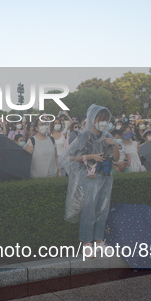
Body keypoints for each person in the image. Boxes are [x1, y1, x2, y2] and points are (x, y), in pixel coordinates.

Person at [60, 104, 120, 256]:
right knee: (89, 210)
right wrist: (92, 157)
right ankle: (87, 242)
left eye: (106, 120)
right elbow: (71, 157)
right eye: (101, 119)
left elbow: (117, 158)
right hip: (90, 177)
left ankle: (99, 240)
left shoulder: (108, 136)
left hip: (106, 176)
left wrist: (114, 146)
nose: (104, 123)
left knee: (103, 209)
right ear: (93, 119)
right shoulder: (84, 136)